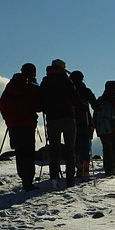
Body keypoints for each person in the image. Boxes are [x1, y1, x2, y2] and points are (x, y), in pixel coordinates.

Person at [36, 58, 80, 187]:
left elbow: (40, 102)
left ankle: (54, 179)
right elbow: (75, 98)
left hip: (52, 119)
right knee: (70, 150)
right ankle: (70, 181)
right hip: (68, 118)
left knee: (54, 152)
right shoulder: (67, 81)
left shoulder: (45, 82)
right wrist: (81, 108)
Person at [0, 63, 39, 190]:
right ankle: (28, 181)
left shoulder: (11, 86)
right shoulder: (32, 87)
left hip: (13, 125)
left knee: (19, 151)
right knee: (28, 152)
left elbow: (2, 103)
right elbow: (38, 105)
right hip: (28, 124)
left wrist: (8, 118)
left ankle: (23, 176)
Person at [94, 80, 115, 176]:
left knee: (106, 149)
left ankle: (108, 169)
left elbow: (95, 115)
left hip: (103, 129)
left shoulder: (100, 100)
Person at [70, 70, 97, 179]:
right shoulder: (86, 91)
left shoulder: (69, 90)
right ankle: (84, 171)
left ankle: (77, 169)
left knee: (74, 148)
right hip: (86, 122)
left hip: (71, 121)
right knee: (85, 148)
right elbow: (96, 106)